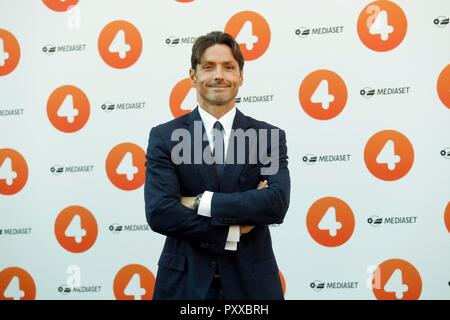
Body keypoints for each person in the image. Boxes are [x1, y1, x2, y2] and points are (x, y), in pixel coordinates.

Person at [144, 31, 290, 300]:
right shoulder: (164, 136)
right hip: (183, 284)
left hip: (252, 286)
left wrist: (198, 202)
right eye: (209, 67)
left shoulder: (268, 137)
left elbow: (275, 202)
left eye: (229, 67)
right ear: (193, 76)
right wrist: (233, 230)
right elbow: (160, 212)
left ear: (241, 77)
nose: (219, 75)